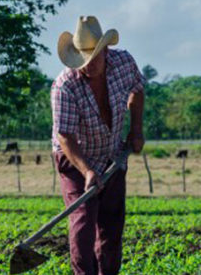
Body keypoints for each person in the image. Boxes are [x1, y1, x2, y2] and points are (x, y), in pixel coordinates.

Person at [51, 15, 145, 275]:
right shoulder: (64, 86)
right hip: (75, 159)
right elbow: (65, 137)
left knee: (111, 226)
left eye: (92, 59)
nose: (86, 66)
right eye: (81, 60)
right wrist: (87, 171)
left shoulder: (124, 63)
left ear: (105, 50)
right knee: (82, 225)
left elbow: (137, 89)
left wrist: (136, 130)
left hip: (112, 154)